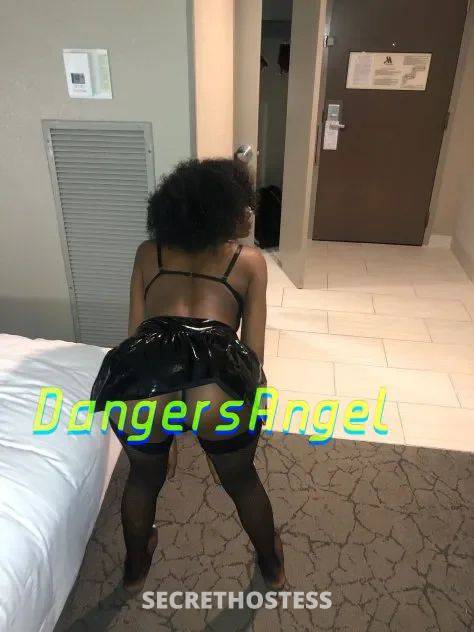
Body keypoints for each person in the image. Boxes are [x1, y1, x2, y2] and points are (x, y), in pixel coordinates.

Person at [91, 158, 285, 592]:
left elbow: (134, 336)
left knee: (143, 478)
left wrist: (166, 429)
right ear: (222, 210)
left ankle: (135, 568)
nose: (250, 212)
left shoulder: (148, 252)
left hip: (145, 380)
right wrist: (250, 411)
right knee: (241, 480)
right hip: (215, 384)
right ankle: (272, 564)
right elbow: (252, 354)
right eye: (244, 204)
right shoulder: (250, 261)